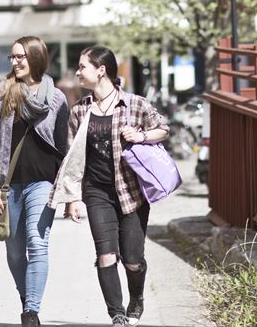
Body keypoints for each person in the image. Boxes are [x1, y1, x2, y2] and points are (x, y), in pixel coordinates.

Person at [50, 46, 169, 326]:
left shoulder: (135, 104)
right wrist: (72, 198)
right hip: (97, 191)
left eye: (82, 67)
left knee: (132, 260)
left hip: (131, 192)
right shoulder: (80, 110)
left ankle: (136, 298)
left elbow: (164, 129)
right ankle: (116, 314)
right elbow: (72, 157)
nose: (77, 72)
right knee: (105, 255)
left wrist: (140, 136)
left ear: (100, 70)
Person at [0, 37, 69, 327]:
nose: (15, 62)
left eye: (21, 57)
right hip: (8, 186)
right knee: (15, 251)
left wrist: (68, 191)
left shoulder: (56, 98)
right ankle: (26, 297)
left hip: (43, 183)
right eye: (12, 57)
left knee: (37, 242)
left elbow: (63, 148)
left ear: (36, 58)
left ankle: (31, 312)